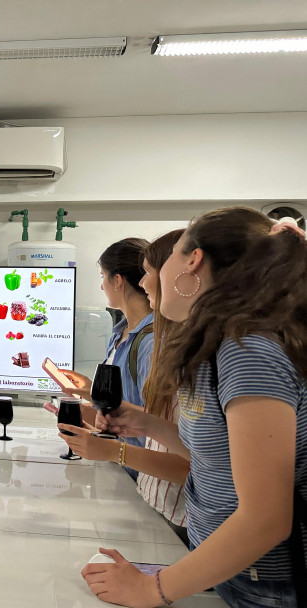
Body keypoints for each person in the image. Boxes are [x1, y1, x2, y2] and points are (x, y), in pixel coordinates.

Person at [81, 207, 306, 608]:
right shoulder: (217, 345)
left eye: (162, 262)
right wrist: (148, 424)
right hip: (224, 570)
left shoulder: (249, 350)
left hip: (261, 584)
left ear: (193, 262)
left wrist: (153, 588)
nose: (150, 279)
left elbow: (266, 518)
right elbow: (215, 460)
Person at [58, 229, 190, 544]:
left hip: (149, 475)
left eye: (103, 277)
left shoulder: (154, 342)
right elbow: (141, 414)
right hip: (136, 473)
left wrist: (113, 448)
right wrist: (93, 397)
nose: (145, 284)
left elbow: (176, 437)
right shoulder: (121, 329)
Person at [61, 238, 154, 480]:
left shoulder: (151, 343)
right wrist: (89, 394)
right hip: (120, 465)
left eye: (103, 276)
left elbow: (158, 422)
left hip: (143, 472)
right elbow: (117, 408)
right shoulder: (118, 333)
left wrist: (94, 398)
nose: (102, 286)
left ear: (118, 280)